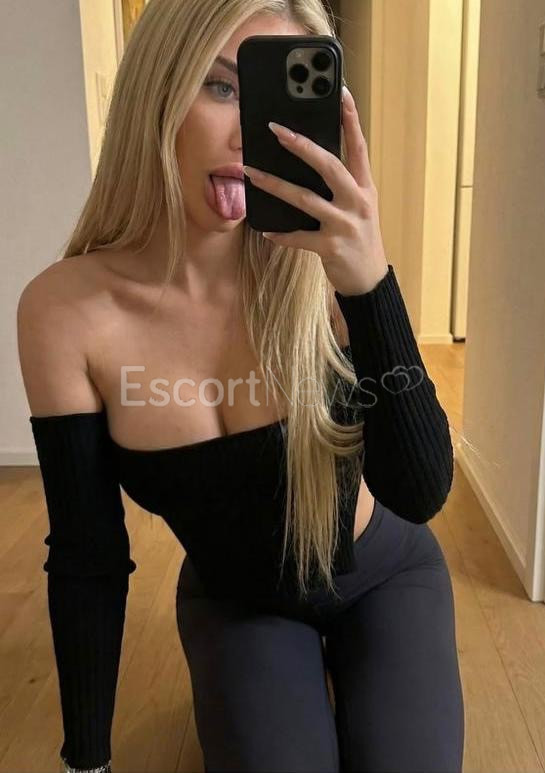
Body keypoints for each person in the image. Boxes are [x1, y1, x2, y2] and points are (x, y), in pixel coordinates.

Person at [17, 0, 465, 771]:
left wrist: (370, 286)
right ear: (157, 91)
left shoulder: (327, 273)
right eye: (222, 87)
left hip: (384, 574)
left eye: (277, 98)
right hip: (236, 599)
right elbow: (88, 552)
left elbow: (419, 490)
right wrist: (86, 760)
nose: (248, 132)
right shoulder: (67, 312)